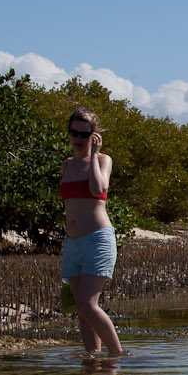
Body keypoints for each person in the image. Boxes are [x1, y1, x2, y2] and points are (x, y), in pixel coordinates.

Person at [60, 108, 124, 357]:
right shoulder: (67, 164)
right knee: (80, 307)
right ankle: (93, 358)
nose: (77, 139)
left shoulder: (102, 160)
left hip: (97, 239)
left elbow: (99, 190)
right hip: (72, 242)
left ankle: (118, 356)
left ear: (93, 136)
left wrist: (94, 155)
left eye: (84, 134)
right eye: (73, 133)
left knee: (88, 304)